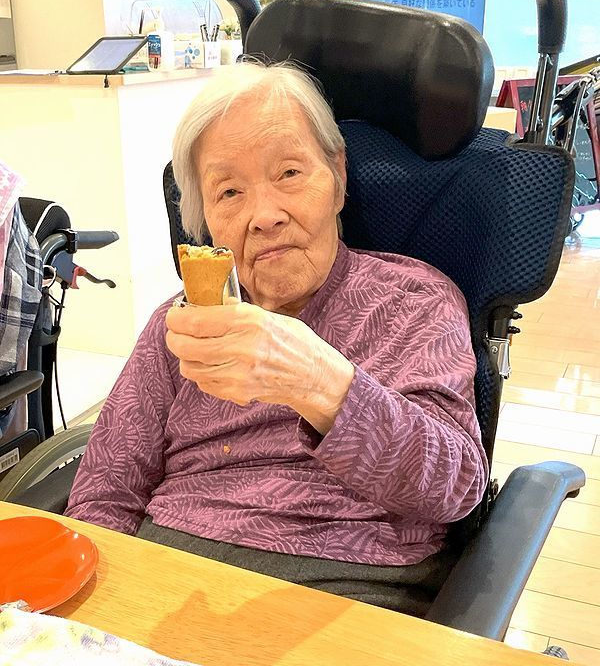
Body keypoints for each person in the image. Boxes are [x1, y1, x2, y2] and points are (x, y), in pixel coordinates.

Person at [66, 62, 488, 615]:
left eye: (289, 173)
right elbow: (103, 495)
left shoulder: (413, 300)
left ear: (337, 176)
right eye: (229, 191)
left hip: (343, 591)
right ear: (206, 221)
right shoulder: (182, 325)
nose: (264, 216)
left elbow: (454, 488)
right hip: (167, 580)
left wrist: (320, 382)